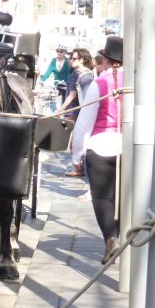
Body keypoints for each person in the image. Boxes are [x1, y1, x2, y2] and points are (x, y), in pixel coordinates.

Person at [72, 36, 125, 264]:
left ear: (105, 58)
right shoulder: (137, 82)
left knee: (102, 197)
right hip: (129, 147)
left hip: (101, 144)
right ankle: (117, 239)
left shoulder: (99, 84)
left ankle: (110, 239)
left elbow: (85, 123)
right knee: (125, 197)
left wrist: (76, 155)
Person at [61, 48, 95, 177]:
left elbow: (86, 98)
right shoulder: (81, 74)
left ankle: (79, 168)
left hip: (84, 112)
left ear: (82, 60)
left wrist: (62, 109)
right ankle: (78, 167)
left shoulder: (85, 76)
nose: (71, 60)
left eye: (74, 59)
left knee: (79, 140)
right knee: (77, 140)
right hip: (82, 111)